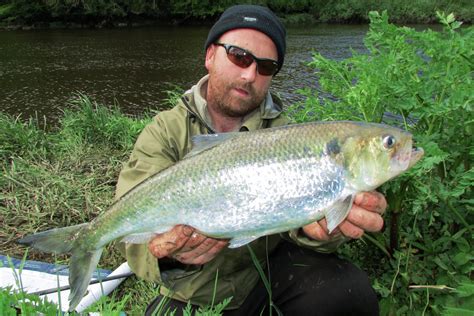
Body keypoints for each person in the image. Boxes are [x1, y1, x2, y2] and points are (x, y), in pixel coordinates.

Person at [115, 5, 386, 315]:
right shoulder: (164, 131)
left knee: (350, 292)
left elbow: (300, 227)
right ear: (210, 56)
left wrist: (324, 233)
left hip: (263, 279)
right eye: (238, 56)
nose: (249, 75)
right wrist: (172, 256)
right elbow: (128, 234)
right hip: (194, 294)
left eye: (266, 66)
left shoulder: (287, 137)